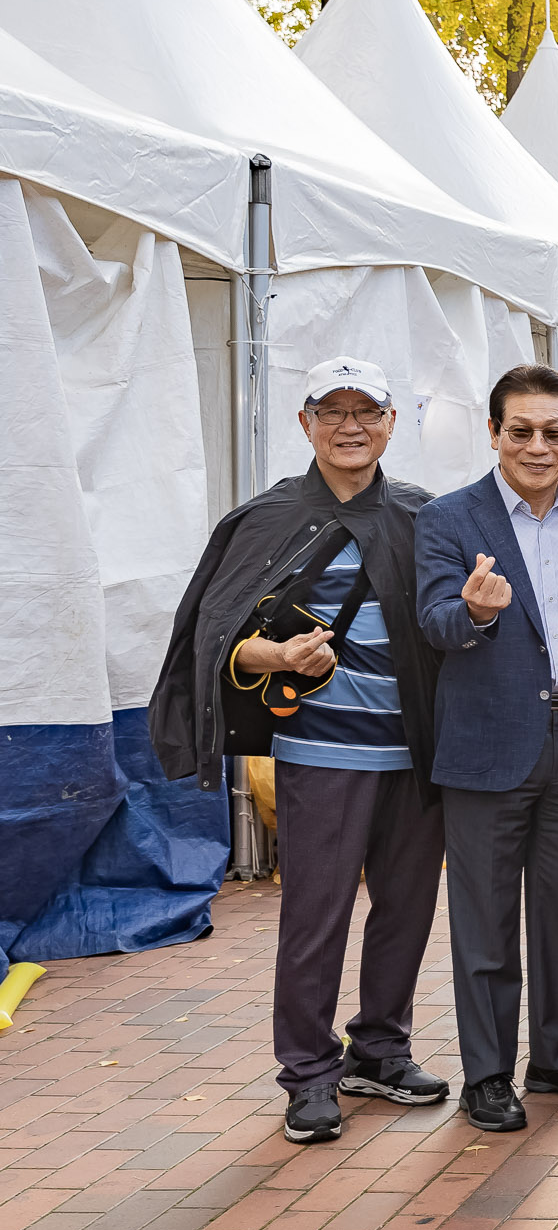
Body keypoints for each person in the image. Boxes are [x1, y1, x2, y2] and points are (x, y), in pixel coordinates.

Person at [149, 357, 447, 1146]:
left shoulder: (426, 516)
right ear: (305, 421)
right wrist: (277, 658)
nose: (351, 425)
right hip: (319, 753)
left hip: (415, 753)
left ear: (391, 422)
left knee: (409, 910)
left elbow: (453, 630)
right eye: (332, 410)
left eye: (367, 411)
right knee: (316, 915)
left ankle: (380, 1050)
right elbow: (218, 648)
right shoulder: (264, 519)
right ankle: (309, 1073)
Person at [415, 365, 558, 1132]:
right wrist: (472, 611)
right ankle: (488, 1073)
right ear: (496, 433)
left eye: (554, 432)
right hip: (486, 743)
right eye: (521, 431)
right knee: (484, 918)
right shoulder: (447, 519)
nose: (538, 445)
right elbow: (434, 621)